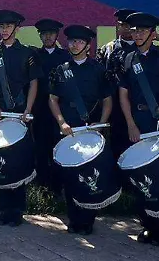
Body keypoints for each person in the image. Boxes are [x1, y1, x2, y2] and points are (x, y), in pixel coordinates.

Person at [119, 12, 159, 245]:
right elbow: (123, 94)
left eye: (142, 31)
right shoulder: (128, 59)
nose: (137, 35)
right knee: (140, 176)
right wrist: (130, 123)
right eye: (134, 30)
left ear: (152, 34)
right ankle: (146, 224)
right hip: (139, 123)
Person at [48, 25, 113, 235]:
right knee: (70, 175)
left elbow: (108, 101)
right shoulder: (60, 69)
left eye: (79, 41)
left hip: (91, 131)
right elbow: (53, 99)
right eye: (71, 41)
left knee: (88, 175)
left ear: (88, 45)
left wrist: (101, 125)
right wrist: (61, 123)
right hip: (69, 130)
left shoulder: (98, 70)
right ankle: (73, 218)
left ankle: (88, 220)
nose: (74, 45)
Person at [0, 9, 39, 227]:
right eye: (2, 27)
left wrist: (28, 109)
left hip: (19, 115)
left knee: (18, 162)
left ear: (17, 28)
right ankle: (4, 208)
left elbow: (34, 82)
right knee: (1, 160)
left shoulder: (27, 53)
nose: (5, 30)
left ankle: (17, 209)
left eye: (9, 26)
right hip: (0, 116)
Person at [33, 19, 72, 193]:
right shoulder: (34, 56)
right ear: (40, 35)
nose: (47, 37)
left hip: (61, 111)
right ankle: (42, 186)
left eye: (51, 33)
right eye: (44, 33)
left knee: (59, 147)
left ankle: (58, 186)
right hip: (40, 109)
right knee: (41, 148)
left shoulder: (65, 57)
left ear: (57, 35)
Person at [98, 8, 138, 155]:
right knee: (117, 146)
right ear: (117, 25)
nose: (126, 29)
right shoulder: (107, 49)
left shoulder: (143, 48)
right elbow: (100, 79)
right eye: (122, 25)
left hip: (139, 104)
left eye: (129, 25)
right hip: (114, 106)